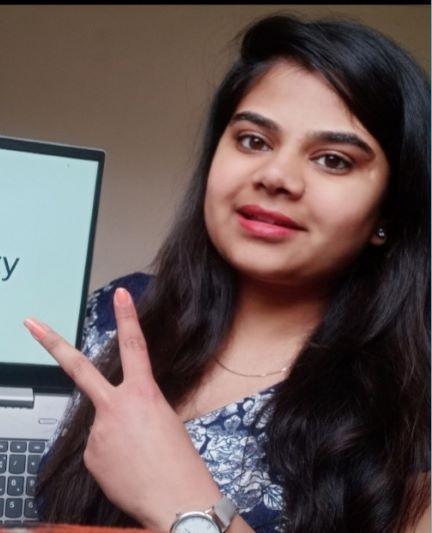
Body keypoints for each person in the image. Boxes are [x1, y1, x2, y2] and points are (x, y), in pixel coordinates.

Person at [23, 14, 430, 533]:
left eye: (332, 160)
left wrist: (184, 501)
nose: (276, 176)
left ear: (388, 214)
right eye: (254, 141)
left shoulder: (415, 400)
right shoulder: (118, 313)